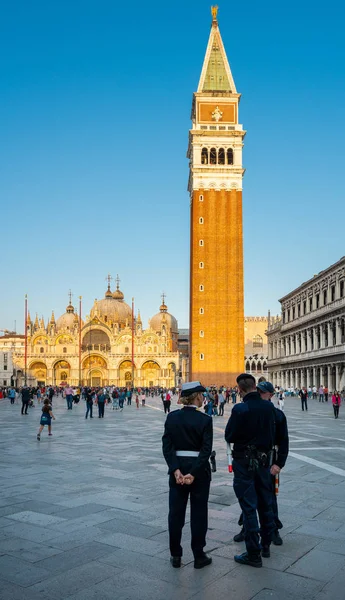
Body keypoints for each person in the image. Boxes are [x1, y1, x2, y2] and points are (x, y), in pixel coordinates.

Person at [224, 373, 277, 568]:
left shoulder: (240, 409)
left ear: (239, 389)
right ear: (255, 387)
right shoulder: (269, 407)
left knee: (248, 506)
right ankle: (266, 546)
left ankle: (253, 553)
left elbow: (229, 435)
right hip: (264, 463)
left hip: (244, 463)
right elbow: (272, 435)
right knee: (265, 503)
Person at [162, 381, 213, 570]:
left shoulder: (172, 418)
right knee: (199, 514)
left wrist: (176, 470)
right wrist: (193, 473)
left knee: (175, 513)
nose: (203, 398)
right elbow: (205, 451)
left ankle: (176, 555)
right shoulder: (205, 420)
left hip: (177, 471)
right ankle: (199, 556)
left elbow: (167, 447)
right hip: (198, 473)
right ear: (197, 397)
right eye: (201, 395)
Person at [233, 381, 289, 547]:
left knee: (269, 496)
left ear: (271, 395)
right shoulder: (251, 410)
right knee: (249, 495)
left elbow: (284, 441)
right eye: (258, 391)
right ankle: (247, 528)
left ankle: (273, 530)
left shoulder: (277, 414)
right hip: (250, 460)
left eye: (263, 392)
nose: (260, 394)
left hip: (269, 460)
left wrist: (279, 464)